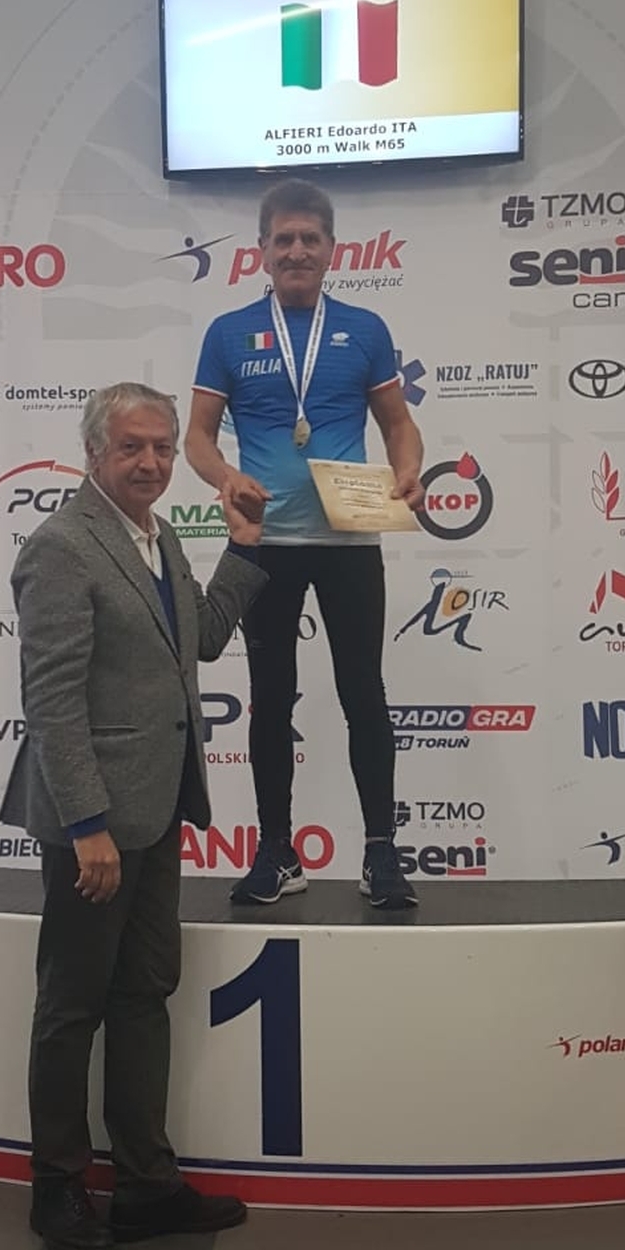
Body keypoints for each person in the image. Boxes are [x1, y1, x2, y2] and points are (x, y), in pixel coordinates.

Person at [0, 382, 266, 1250]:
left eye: (161, 448)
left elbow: (204, 641)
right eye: (131, 448)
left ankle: (147, 1185)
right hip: (97, 827)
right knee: (71, 1005)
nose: (151, 463)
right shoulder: (60, 547)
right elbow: (51, 702)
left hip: (155, 811)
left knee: (144, 993)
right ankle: (57, 1188)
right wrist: (87, 823)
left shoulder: (160, 538)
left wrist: (242, 546)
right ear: (93, 454)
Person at [185, 177, 425, 910]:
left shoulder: (364, 329)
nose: (296, 251)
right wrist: (226, 477)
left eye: (309, 239)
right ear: (261, 250)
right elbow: (197, 438)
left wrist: (408, 469)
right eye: (283, 239)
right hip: (267, 544)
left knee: (364, 693)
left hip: (349, 541)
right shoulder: (228, 333)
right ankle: (276, 853)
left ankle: (380, 853)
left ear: (331, 250)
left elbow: (398, 424)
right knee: (268, 700)